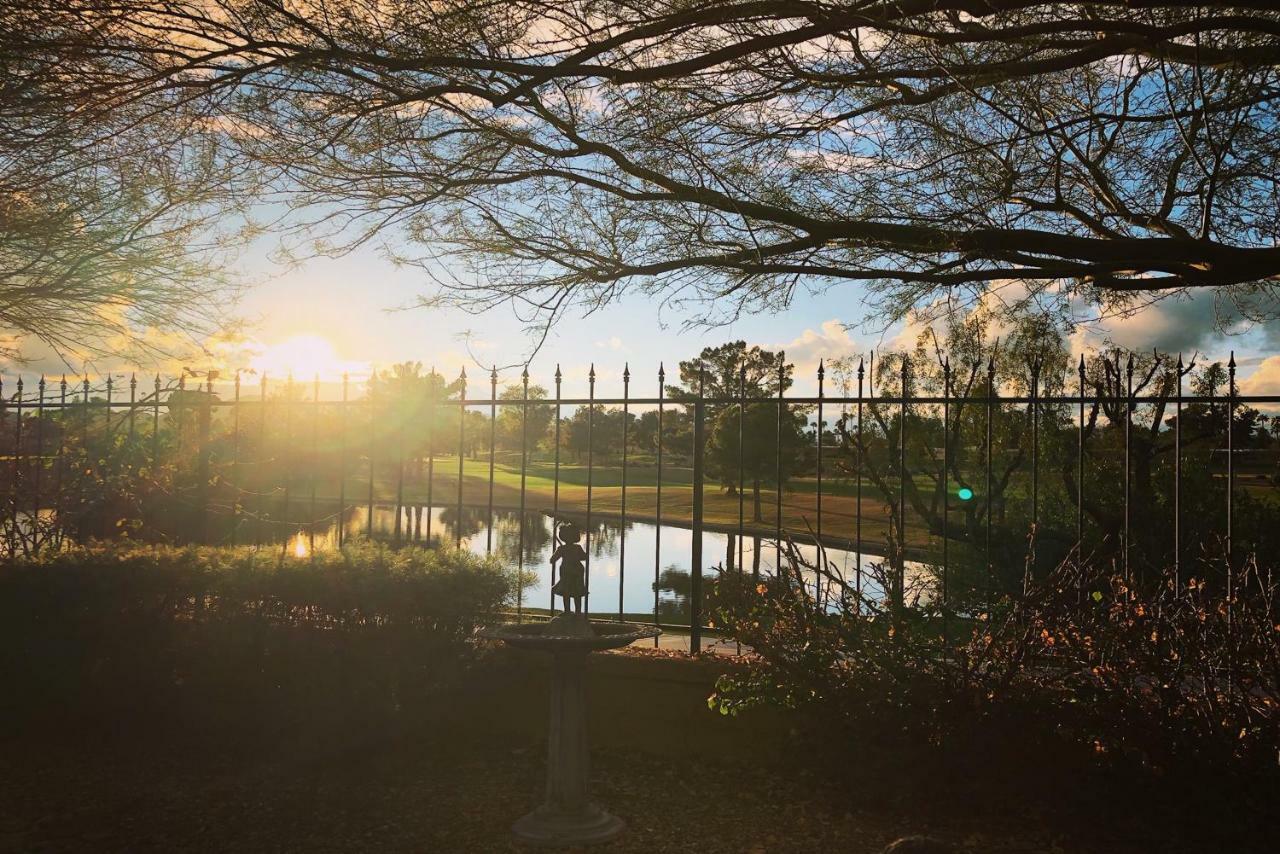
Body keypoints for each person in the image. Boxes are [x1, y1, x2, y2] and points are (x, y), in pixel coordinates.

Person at [550, 524, 588, 615]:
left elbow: (552, 560)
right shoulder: (577, 548)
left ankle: (568, 611)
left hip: (567, 570)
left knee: (566, 590)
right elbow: (584, 557)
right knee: (576, 591)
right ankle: (577, 611)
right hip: (575, 570)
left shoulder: (562, 549)